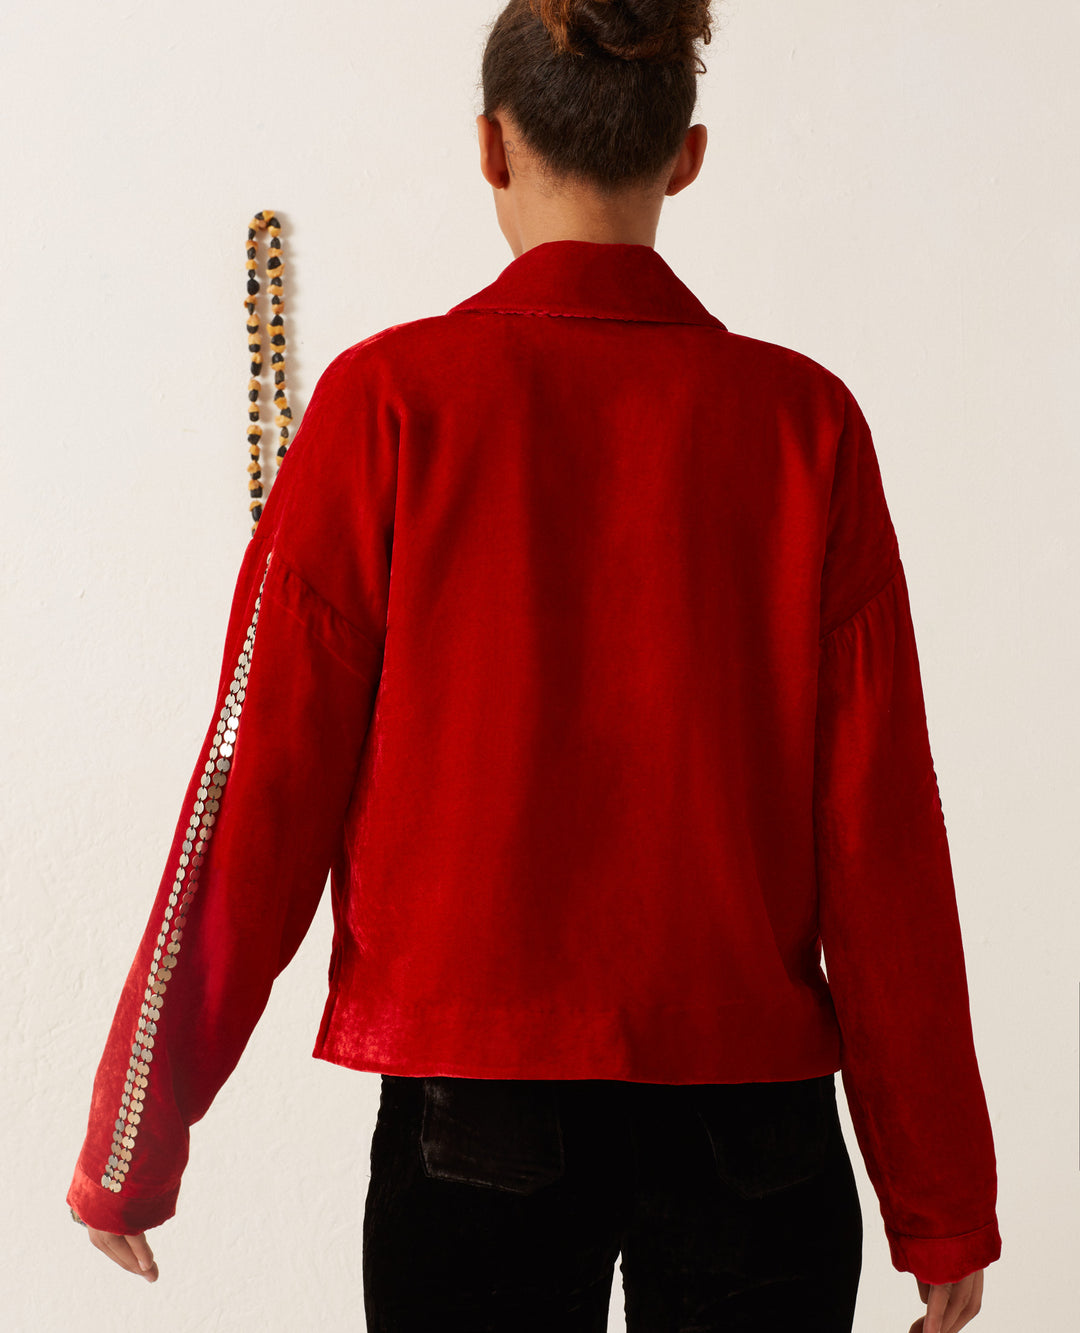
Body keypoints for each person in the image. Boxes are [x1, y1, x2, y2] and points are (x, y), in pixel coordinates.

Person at [68, 2, 1001, 1329]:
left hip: (476, 1113)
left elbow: (258, 778)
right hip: (758, 1124)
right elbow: (882, 833)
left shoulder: (387, 406)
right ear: (685, 155)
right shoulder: (804, 424)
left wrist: (133, 1140)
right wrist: (942, 1193)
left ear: (491, 150)